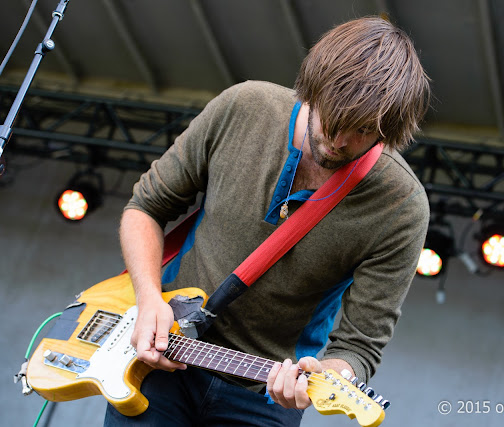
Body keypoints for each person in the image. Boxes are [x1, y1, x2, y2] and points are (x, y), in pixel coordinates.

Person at [105, 16, 431, 426]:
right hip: (163, 360)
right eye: (333, 117)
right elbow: (145, 209)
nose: (341, 140)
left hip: (264, 400)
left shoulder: (402, 206)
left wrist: (329, 375)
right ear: (313, 87)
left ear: (390, 131)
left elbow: (359, 348)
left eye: (363, 130)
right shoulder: (242, 107)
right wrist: (148, 297)